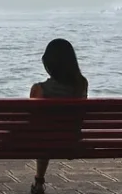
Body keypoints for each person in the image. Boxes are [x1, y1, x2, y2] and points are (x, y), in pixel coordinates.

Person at [28, 38, 88, 194]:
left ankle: (39, 182)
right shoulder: (82, 84)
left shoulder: (39, 89)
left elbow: (32, 120)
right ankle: (39, 181)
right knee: (46, 134)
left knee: (43, 135)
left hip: (45, 141)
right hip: (72, 139)